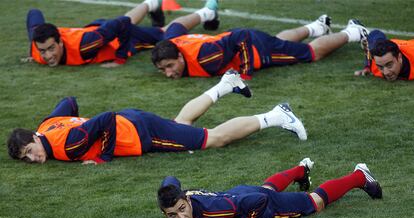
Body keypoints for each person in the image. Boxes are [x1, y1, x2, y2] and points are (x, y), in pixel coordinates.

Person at [7, 70, 307, 165]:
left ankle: (276, 116)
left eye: (30, 151)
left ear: (35, 138)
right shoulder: (46, 125)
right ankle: (225, 84)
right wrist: (76, 121)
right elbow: (68, 101)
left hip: (140, 133)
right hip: (134, 121)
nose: (33, 158)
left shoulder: (67, 147)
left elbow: (106, 118)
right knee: (181, 126)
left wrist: (103, 157)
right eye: (26, 158)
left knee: (212, 139)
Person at [157, 158, 382, 218]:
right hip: (237, 193)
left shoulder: (214, 211)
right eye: (173, 214)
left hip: (257, 204)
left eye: (182, 209)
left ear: (186, 198)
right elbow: (170, 180)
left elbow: (257, 201)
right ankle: (300, 170)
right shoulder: (175, 196)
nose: (181, 216)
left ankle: (359, 175)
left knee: (315, 203)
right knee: (266, 188)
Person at [151, 15, 369, 79]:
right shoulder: (169, 41)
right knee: (279, 41)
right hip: (250, 41)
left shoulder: (205, 58)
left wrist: (245, 74)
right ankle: (317, 27)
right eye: (163, 70)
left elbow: (241, 36)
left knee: (310, 53)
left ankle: (353, 31)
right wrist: (202, 14)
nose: (168, 73)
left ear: (180, 57)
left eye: (169, 66)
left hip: (257, 50)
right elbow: (177, 24)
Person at [25, 0, 219, 67]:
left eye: (51, 49)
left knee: (165, 36)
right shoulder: (37, 42)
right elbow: (33, 12)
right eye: (43, 51)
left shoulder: (85, 45)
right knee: (122, 21)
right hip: (101, 30)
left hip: (116, 37)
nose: (48, 55)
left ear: (60, 43)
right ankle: (151, 3)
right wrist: (31, 53)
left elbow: (123, 23)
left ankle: (207, 12)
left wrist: (119, 59)